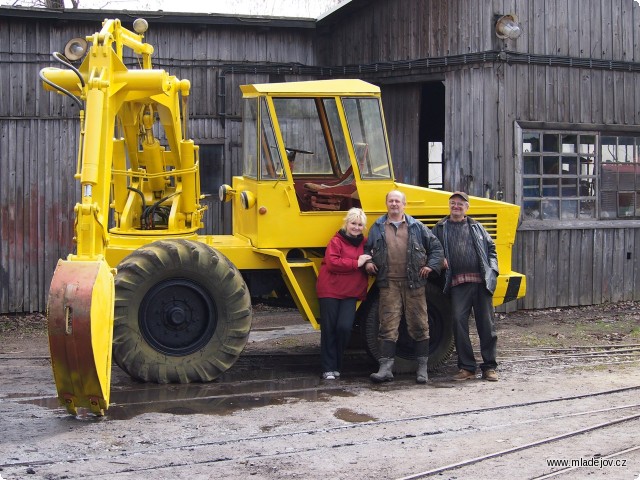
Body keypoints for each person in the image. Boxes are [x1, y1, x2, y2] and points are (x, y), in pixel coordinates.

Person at [364, 190, 444, 384]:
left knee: (419, 324)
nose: (394, 204)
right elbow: (367, 249)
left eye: (397, 201)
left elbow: (437, 248)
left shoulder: (417, 227)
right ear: (386, 204)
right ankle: (385, 369)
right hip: (388, 283)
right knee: (387, 326)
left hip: (414, 284)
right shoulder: (377, 227)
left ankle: (422, 369)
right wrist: (367, 263)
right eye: (391, 201)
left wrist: (430, 266)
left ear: (404, 205)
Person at [432, 191, 500, 382]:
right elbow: (431, 249)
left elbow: (492, 250)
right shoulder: (440, 227)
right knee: (458, 324)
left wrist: (492, 271)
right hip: (457, 285)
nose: (456, 206)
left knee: (486, 326)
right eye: (453, 203)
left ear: (467, 208)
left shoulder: (477, 227)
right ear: (449, 205)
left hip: (481, 283)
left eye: (460, 204)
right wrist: (439, 260)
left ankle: (489, 367)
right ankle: (467, 367)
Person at [316, 207, 372, 380]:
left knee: (344, 328)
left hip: (351, 292)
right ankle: (328, 368)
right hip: (330, 290)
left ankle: (337, 365)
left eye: (359, 224)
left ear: (363, 227)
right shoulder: (336, 241)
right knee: (329, 329)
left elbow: (371, 259)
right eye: (353, 223)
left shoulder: (365, 243)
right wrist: (357, 263)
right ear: (346, 223)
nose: (356, 227)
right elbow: (333, 263)